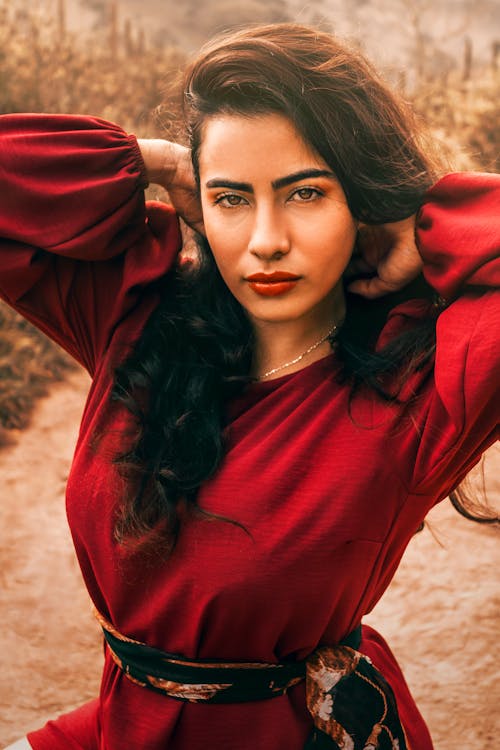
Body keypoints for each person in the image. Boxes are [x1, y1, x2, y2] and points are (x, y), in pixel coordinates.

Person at [1, 22, 498, 750]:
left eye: (304, 193)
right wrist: (153, 160)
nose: (265, 239)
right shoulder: (136, 315)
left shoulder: (422, 385)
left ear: (360, 199)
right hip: (125, 729)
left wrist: (427, 224)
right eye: (232, 198)